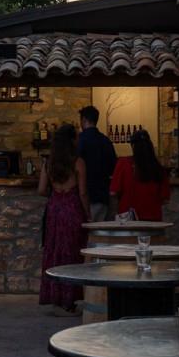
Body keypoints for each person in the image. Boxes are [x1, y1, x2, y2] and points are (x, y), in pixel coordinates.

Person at [38, 124, 88, 313]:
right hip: (72, 209)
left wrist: (56, 195)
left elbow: (41, 190)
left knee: (54, 252)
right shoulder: (78, 162)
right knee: (72, 253)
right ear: (72, 141)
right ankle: (71, 298)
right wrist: (88, 215)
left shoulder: (48, 162)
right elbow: (83, 193)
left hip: (54, 209)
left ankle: (55, 297)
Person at [108, 129, 171, 221]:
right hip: (153, 219)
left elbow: (113, 192)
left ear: (133, 146)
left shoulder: (123, 163)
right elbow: (165, 199)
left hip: (128, 219)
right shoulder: (159, 168)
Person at [76, 105, 116, 222]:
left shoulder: (79, 141)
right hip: (101, 195)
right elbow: (113, 169)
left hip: (82, 195)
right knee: (98, 235)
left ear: (83, 120)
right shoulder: (105, 141)